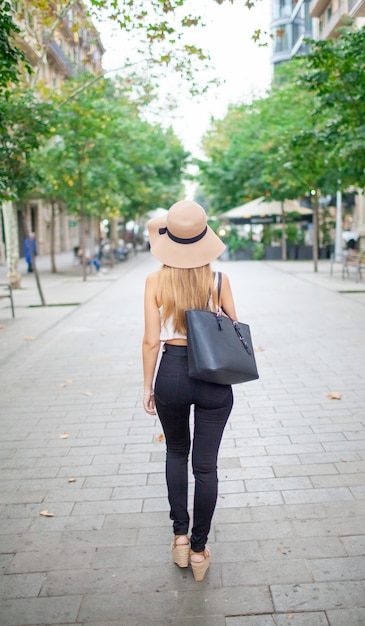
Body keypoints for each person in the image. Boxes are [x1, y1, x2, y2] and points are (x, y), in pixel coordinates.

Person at [142, 200, 238, 582]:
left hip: (173, 372)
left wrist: (147, 386)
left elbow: (151, 340)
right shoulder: (218, 280)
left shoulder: (154, 281)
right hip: (213, 375)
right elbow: (235, 327)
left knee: (175, 451)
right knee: (206, 466)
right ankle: (200, 549)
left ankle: (180, 538)